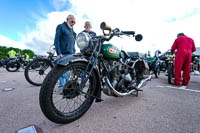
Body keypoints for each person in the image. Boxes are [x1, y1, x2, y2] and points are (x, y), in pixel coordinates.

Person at [54, 14, 76, 89]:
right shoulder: (61, 27)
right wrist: (58, 52)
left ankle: (65, 88)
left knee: (68, 73)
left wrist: (74, 52)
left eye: (75, 21)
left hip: (71, 54)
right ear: (67, 19)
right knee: (63, 72)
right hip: (63, 53)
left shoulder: (73, 32)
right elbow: (56, 40)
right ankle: (61, 87)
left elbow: (73, 43)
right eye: (72, 20)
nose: (73, 22)